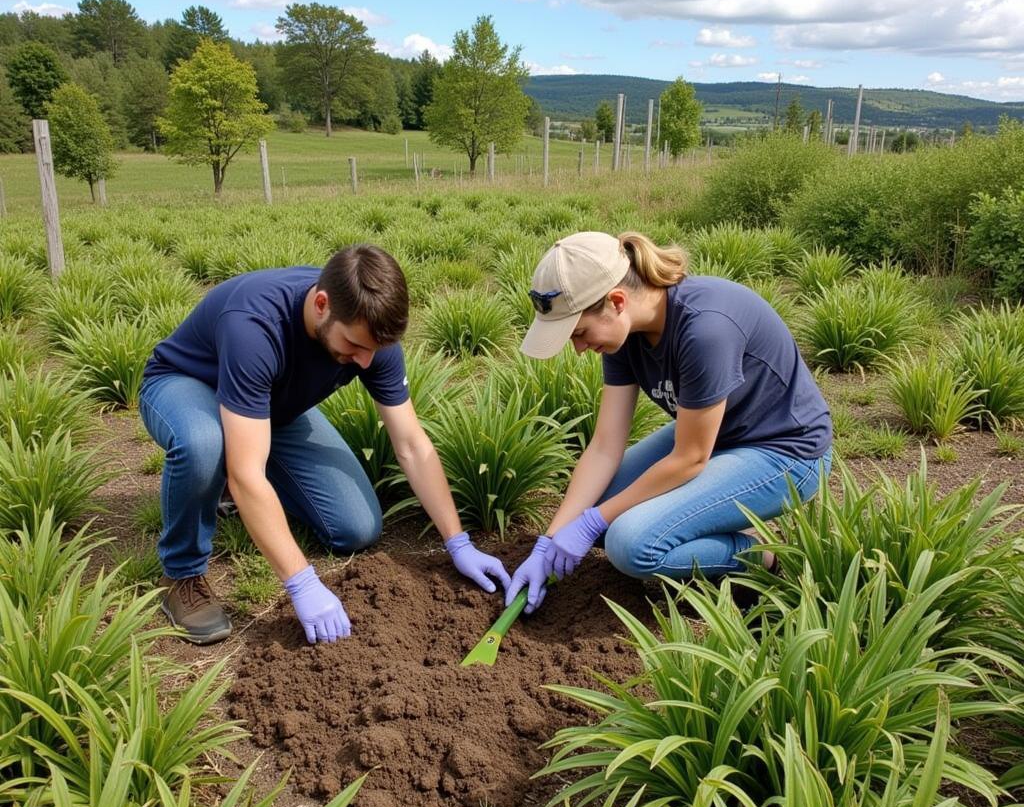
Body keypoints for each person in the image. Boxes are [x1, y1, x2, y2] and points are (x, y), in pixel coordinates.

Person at [140, 244, 509, 645]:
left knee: (357, 527)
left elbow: (412, 444)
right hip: (187, 385)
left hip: (270, 410)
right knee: (205, 443)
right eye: (354, 346)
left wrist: (458, 541)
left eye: (374, 351)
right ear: (321, 304)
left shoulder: (372, 333)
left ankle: (232, 489)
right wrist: (301, 582)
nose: (366, 362)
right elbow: (246, 473)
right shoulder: (254, 326)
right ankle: (181, 575)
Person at [505, 231, 832, 613]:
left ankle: (761, 556)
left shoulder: (705, 328)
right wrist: (552, 537)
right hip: (716, 440)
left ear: (616, 301)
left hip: (786, 454)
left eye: (579, 332)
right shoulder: (623, 336)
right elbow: (605, 445)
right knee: (599, 504)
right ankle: (707, 519)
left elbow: (691, 457)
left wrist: (592, 522)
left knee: (630, 545)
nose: (578, 349)